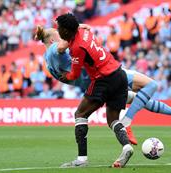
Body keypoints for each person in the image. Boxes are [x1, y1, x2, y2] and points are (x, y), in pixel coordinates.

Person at [35, 24, 171, 146]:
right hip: (106, 76)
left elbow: (69, 74)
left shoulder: (48, 63)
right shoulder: (55, 50)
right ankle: (127, 121)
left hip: (97, 87)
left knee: (139, 99)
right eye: (60, 35)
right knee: (151, 86)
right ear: (52, 41)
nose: (64, 36)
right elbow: (63, 46)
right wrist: (76, 28)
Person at [57, 13, 133, 168]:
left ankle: (81, 160)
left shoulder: (77, 48)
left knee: (80, 114)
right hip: (119, 74)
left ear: (66, 31)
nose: (57, 30)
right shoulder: (85, 31)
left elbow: (75, 75)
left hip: (103, 79)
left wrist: (63, 76)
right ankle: (126, 146)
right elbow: (85, 27)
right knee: (112, 120)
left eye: (59, 28)